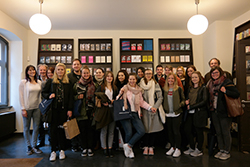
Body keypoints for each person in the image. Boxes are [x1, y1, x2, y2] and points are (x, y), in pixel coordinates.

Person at [117, 73, 156, 158]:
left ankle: (128, 146)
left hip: (135, 113)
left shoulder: (139, 90)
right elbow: (118, 100)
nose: (132, 81)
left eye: (133, 79)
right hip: (125, 114)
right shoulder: (125, 88)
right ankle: (128, 152)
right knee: (129, 132)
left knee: (141, 131)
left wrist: (150, 107)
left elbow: (141, 102)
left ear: (136, 80)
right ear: (128, 80)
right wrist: (121, 93)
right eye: (130, 79)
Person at [207, 66, 240, 160]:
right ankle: (221, 149)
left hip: (224, 111)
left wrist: (226, 91)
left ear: (220, 73)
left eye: (216, 72)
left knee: (225, 131)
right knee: (218, 131)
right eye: (213, 73)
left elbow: (236, 94)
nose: (214, 75)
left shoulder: (226, 82)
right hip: (214, 111)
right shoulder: (210, 83)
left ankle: (227, 151)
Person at [42, 63, 73, 161]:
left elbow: (70, 98)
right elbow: (43, 93)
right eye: (58, 69)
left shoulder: (68, 83)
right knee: (52, 131)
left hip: (63, 110)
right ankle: (53, 151)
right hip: (53, 110)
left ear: (65, 71)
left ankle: (62, 150)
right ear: (56, 71)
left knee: (62, 130)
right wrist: (49, 96)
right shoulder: (51, 82)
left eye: (62, 69)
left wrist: (70, 109)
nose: (60, 71)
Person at [139, 69, 164, 156]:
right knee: (145, 129)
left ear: (152, 74)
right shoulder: (140, 84)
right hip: (144, 110)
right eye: (146, 74)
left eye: (150, 73)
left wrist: (155, 107)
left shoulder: (155, 83)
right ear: (144, 74)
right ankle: (145, 146)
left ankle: (151, 147)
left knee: (153, 129)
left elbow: (160, 97)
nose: (148, 75)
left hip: (153, 109)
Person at [19, 65, 43, 155]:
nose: (32, 72)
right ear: (27, 72)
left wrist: (41, 107)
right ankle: (28, 147)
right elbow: (21, 96)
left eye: (33, 70)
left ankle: (34, 145)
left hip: (37, 108)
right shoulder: (24, 82)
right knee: (26, 128)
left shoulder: (39, 82)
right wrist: (23, 109)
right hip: (27, 108)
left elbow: (40, 96)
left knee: (36, 128)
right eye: (30, 70)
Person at [183, 71, 208, 157]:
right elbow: (187, 97)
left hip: (199, 112)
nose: (194, 79)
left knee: (199, 131)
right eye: (192, 77)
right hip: (189, 112)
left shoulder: (203, 88)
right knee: (187, 129)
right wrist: (186, 102)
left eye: (196, 77)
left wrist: (192, 106)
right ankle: (192, 147)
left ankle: (199, 149)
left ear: (199, 78)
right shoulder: (190, 88)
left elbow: (204, 101)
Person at [73, 65, 96, 157]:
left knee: (90, 130)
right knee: (82, 131)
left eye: (87, 73)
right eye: (84, 73)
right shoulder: (77, 84)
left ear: (90, 73)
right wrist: (77, 97)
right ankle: (84, 148)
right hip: (81, 111)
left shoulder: (94, 84)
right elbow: (72, 97)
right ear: (81, 74)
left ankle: (90, 148)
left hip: (91, 111)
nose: (86, 74)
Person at [96, 71, 119, 158]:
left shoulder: (115, 87)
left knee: (111, 130)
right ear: (105, 77)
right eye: (108, 76)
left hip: (112, 109)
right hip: (104, 110)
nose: (109, 78)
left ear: (113, 78)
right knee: (104, 130)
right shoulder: (101, 87)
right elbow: (96, 98)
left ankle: (110, 148)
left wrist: (114, 101)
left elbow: (117, 98)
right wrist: (102, 102)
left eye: (111, 76)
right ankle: (104, 148)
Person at [163, 73, 185, 158]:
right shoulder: (164, 89)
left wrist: (179, 105)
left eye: (172, 79)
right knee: (170, 131)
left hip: (176, 113)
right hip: (168, 113)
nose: (171, 80)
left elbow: (183, 99)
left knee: (176, 131)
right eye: (169, 78)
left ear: (175, 80)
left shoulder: (178, 89)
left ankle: (178, 148)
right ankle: (172, 147)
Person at [67, 58, 82, 152]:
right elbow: (68, 93)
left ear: (80, 65)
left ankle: (81, 144)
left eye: (78, 64)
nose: (76, 66)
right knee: (72, 125)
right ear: (72, 66)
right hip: (72, 103)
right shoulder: (68, 76)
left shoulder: (83, 75)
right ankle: (74, 145)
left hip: (82, 105)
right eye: (74, 64)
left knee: (81, 125)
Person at [37, 64, 49, 148]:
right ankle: (41, 141)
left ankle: (51, 141)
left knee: (50, 123)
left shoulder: (50, 80)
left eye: (44, 70)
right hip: (39, 104)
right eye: (41, 70)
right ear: (38, 71)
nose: (42, 71)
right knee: (39, 124)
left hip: (48, 104)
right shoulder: (35, 81)